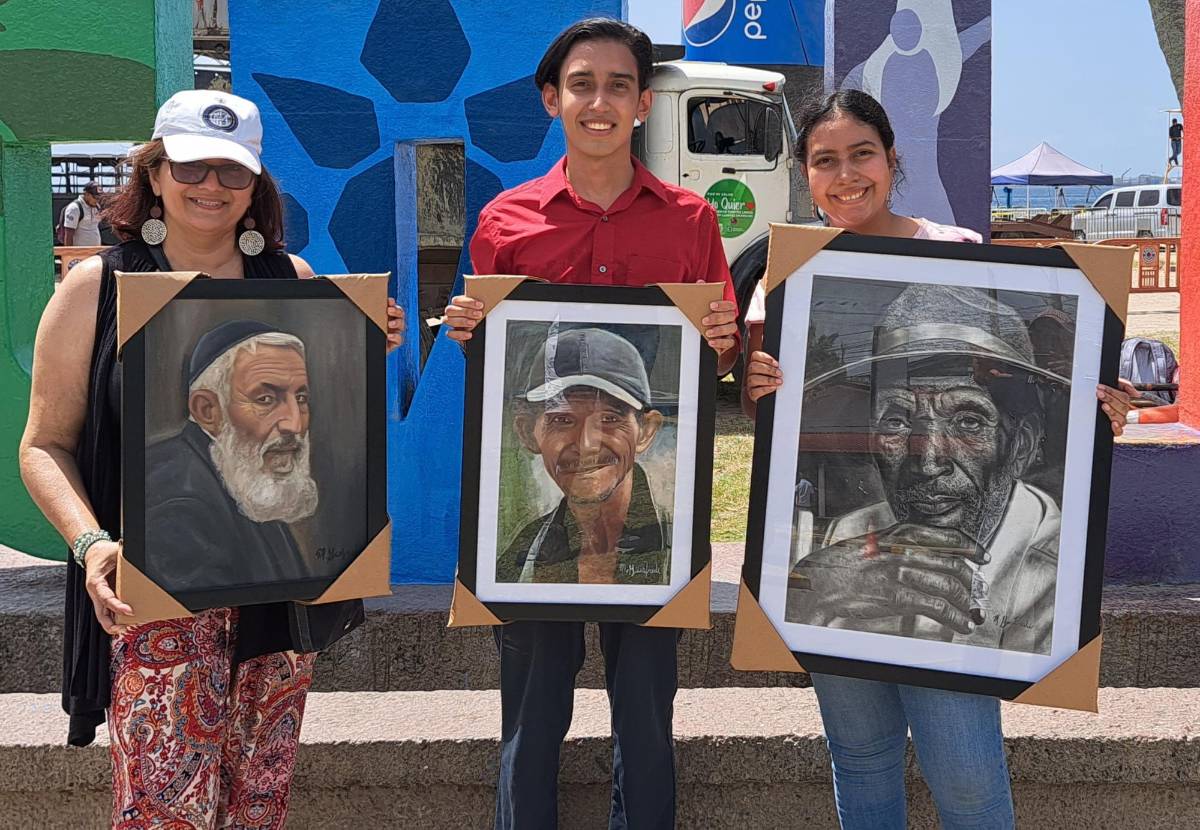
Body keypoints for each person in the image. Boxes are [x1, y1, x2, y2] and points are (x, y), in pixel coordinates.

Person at [741, 89, 1136, 830]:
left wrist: (1097, 402)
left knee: (966, 774)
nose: (846, 175)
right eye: (825, 160)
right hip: (838, 580)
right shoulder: (791, 272)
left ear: (892, 160)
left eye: (863, 154)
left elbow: (1056, 382)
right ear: (805, 173)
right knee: (860, 759)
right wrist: (754, 383)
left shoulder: (954, 249)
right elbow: (778, 413)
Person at [19, 89, 404, 828]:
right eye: (191, 167)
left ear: (255, 186)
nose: (211, 186)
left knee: (257, 808)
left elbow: (317, 437)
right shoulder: (96, 287)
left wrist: (360, 345)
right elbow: (43, 445)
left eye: (232, 172)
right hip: (153, 605)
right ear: (155, 173)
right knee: (162, 812)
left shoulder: (294, 282)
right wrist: (91, 545)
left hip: (277, 606)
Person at [443, 18, 739, 829]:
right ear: (552, 99)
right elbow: (498, 368)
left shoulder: (690, 221)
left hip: (657, 551)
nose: (598, 102)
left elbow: (714, 360)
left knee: (646, 721)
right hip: (529, 569)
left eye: (618, 86)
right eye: (581, 85)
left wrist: (721, 341)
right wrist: (472, 333)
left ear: (643, 103)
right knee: (530, 719)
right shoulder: (506, 220)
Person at [785, 284, 1066, 655]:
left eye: (968, 422)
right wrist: (806, 593)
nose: (928, 462)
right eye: (897, 421)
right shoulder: (850, 533)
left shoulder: (1059, 570)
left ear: (1021, 445)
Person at [145, 321, 319, 593]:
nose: (294, 424)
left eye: (301, 398)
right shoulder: (176, 501)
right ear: (207, 410)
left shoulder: (248, 481)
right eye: (265, 399)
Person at [499, 327, 670, 586]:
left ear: (646, 431)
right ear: (527, 433)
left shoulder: (679, 544)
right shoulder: (520, 554)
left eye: (609, 419)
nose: (586, 444)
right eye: (562, 420)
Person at [60, 180, 104, 246]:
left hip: (96, 250)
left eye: (99, 198)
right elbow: (68, 235)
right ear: (86, 194)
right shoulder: (74, 208)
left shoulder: (96, 206)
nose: (97, 200)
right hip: (80, 251)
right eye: (95, 197)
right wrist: (69, 252)